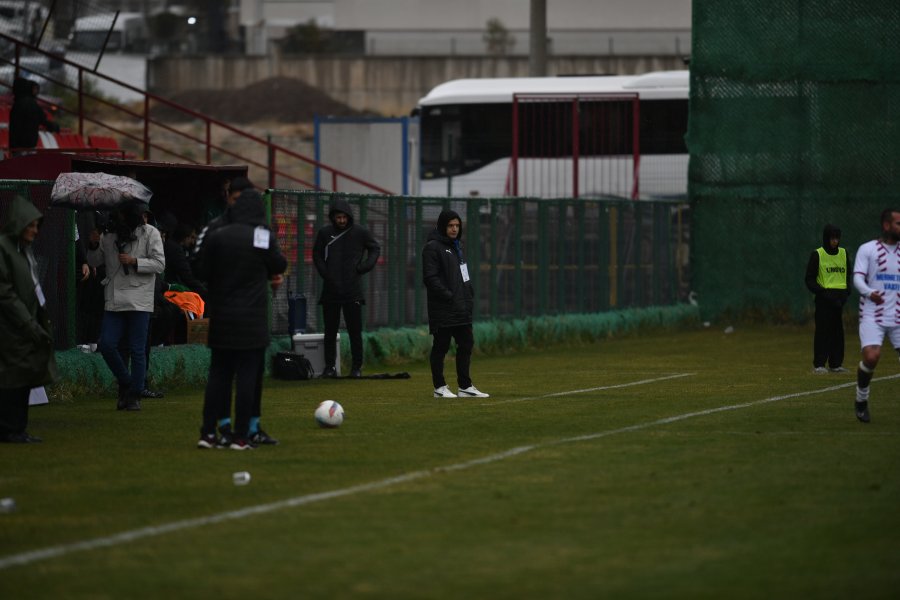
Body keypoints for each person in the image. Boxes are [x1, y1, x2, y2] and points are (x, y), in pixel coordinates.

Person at [196, 188, 287, 450]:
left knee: (219, 375)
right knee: (248, 377)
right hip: (251, 319)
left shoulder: (219, 234)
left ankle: (208, 433)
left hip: (222, 316)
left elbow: (201, 268)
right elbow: (278, 264)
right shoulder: (260, 235)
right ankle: (241, 435)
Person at [86, 201, 165, 411]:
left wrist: (135, 261)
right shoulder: (108, 235)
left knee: (137, 349)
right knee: (107, 344)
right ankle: (127, 383)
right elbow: (94, 262)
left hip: (139, 297)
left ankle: (133, 395)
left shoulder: (150, 233)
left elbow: (159, 263)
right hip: (114, 297)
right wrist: (93, 244)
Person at [0, 196, 59, 442]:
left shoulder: (23, 251)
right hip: (12, 327)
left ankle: (17, 429)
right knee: (12, 378)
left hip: (25, 325)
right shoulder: (5, 249)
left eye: (37, 226)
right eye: (31, 225)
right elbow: (6, 293)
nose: (35, 230)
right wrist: (27, 323)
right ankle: (10, 429)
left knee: (23, 377)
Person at [422, 209, 489, 399]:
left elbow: (463, 275)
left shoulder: (456, 247)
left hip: (462, 307)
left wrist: (468, 293)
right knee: (441, 346)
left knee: (466, 344)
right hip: (444, 308)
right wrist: (448, 296)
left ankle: (465, 386)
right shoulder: (432, 247)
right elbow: (430, 278)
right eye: (450, 226)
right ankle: (439, 387)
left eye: (457, 225)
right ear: (443, 226)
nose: (454, 229)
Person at [312, 198, 381, 378]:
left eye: (344, 217)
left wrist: (363, 267)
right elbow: (317, 254)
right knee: (330, 330)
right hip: (331, 289)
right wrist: (325, 273)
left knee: (354, 331)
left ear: (349, 216)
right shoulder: (324, 233)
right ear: (333, 217)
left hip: (352, 289)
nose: (341, 220)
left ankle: (356, 367)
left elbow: (375, 248)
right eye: (338, 217)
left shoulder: (360, 232)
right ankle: (330, 367)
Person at [851, 208, 900, 424]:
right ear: (886, 225)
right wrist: (870, 293)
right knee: (871, 357)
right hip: (873, 314)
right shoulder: (868, 249)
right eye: (898, 223)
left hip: (898, 316)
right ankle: (861, 400)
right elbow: (858, 279)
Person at [804, 224, 851, 373]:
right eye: (832, 238)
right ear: (826, 238)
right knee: (823, 332)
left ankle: (836, 364)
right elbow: (809, 279)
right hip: (824, 300)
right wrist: (823, 292)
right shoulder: (818, 254)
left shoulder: (843, 253)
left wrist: (846, 293)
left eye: (837, 238)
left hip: (839, 301)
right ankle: (819, 364)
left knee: (838, 333)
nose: (835, 241)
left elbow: (847, 275)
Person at [9, 77, 59, 154]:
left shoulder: (18, 104)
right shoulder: (32, 104)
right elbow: (42, 119)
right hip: (30, 144)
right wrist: (54, 127)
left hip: (17, 145)